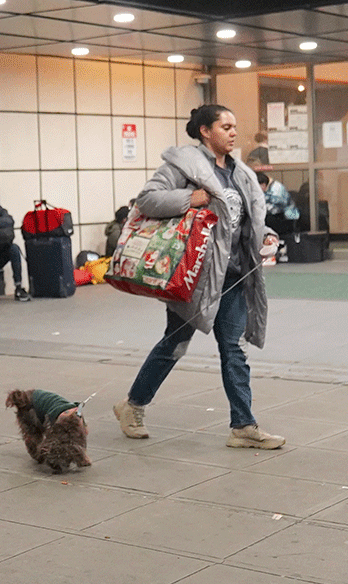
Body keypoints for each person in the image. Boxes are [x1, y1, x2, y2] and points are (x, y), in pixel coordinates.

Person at [113, 104, 284, 450]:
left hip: (233, 276)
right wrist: (189, 197)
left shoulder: (242, 173)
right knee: (174, 344)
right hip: (192, 277)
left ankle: (243, 425)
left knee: (234, 349)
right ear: (205, 131)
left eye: (235, 126)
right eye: (225, 126)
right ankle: (132, 406)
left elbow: (244, 218)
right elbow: (146, 200)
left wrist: (266, 236)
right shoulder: (183, 166)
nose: (233, 132)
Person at [256, 171, 299, 237]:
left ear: (263, 185)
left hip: (287, 218)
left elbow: (276, 209)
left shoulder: (277, 189)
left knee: (265, 221)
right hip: (279, 215)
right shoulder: (267, 188)